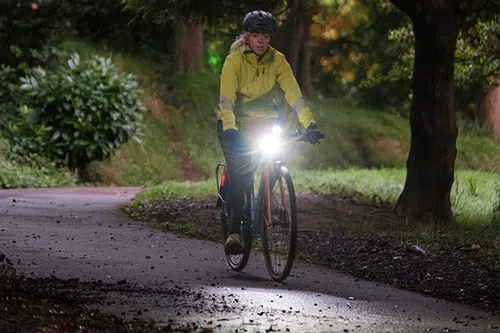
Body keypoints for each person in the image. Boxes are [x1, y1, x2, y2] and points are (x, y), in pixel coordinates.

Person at [217, 10, 323, 255]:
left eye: (265, 36)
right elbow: (226, 100)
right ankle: (234, 231)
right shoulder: (233, 61)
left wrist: (310, 124)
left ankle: (263, 204)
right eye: (256, 36)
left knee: (276, 162)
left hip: (266, 122)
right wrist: (231, 129)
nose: (262, 41)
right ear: (246, 38)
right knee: (242, 172)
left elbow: (294, 95)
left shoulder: (279, 61)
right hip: (234, 124)